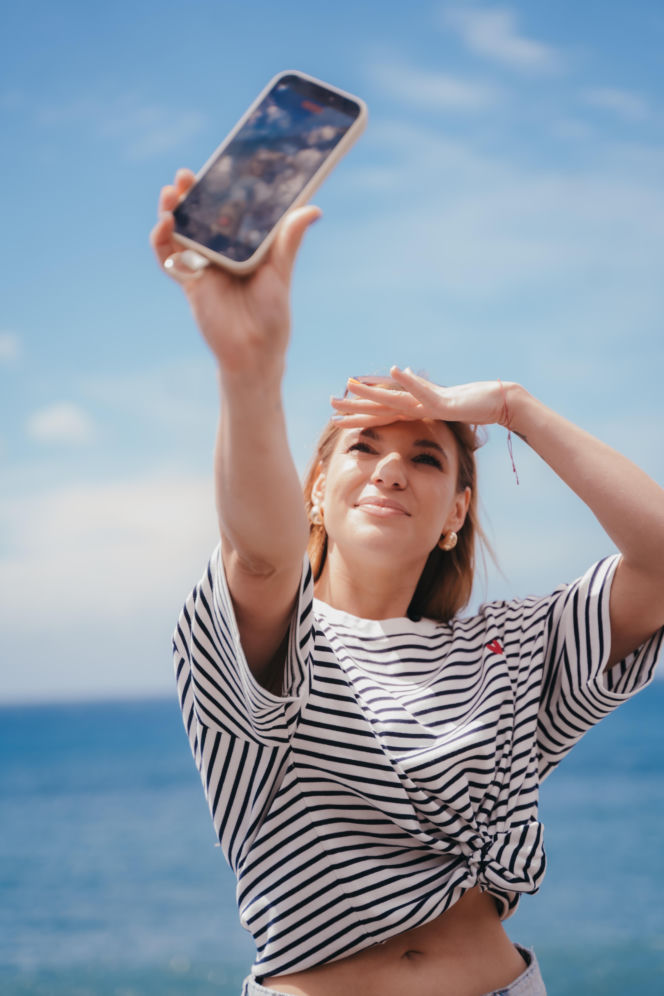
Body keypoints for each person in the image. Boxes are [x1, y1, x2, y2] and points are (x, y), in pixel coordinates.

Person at [151, 169, 664, 996]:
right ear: (314, 490)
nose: (392, 468)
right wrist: (249, 371)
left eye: (426, 458)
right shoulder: (278, 639)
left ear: (455, 513)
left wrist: (512, 407)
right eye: (362, 448)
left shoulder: (512, 649)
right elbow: (262, 559)